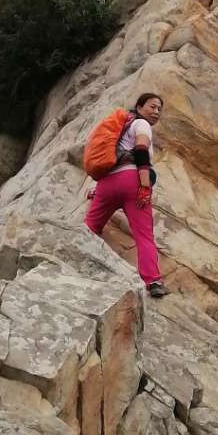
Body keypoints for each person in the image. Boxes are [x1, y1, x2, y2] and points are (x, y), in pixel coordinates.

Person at [86, 92, 168, 298]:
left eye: (159, 109)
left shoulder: (121, 129)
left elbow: (110, 158)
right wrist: (144, 185)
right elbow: (140, 150)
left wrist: (97, 189)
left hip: (106, 184)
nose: (156, 112)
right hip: (132, 180)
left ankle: (75, 260)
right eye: (152, 106)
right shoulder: (142, 125)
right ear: (139, 108)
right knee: (144, 236)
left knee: (89, 228)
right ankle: (153, 282)